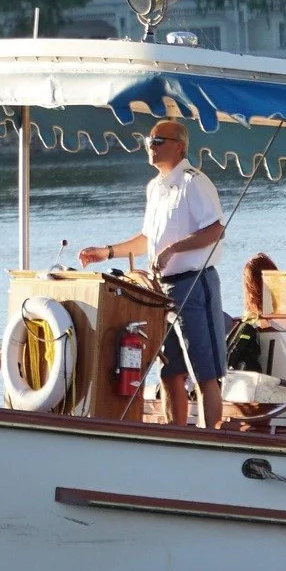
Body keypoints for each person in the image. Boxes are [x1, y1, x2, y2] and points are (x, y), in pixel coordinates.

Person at [79, 118, 227, 428]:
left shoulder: (193, 181)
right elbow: (147, 239)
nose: (151, 146)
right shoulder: (155, 188)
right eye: (149, 140)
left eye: (158, 141)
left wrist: (174, 249)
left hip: (193, 285)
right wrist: (105, 252)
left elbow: (215, 230)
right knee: (169, 370)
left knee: (205, 370)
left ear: (179, 146)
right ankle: (176, 435)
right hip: (160, 292)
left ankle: (211, 438)